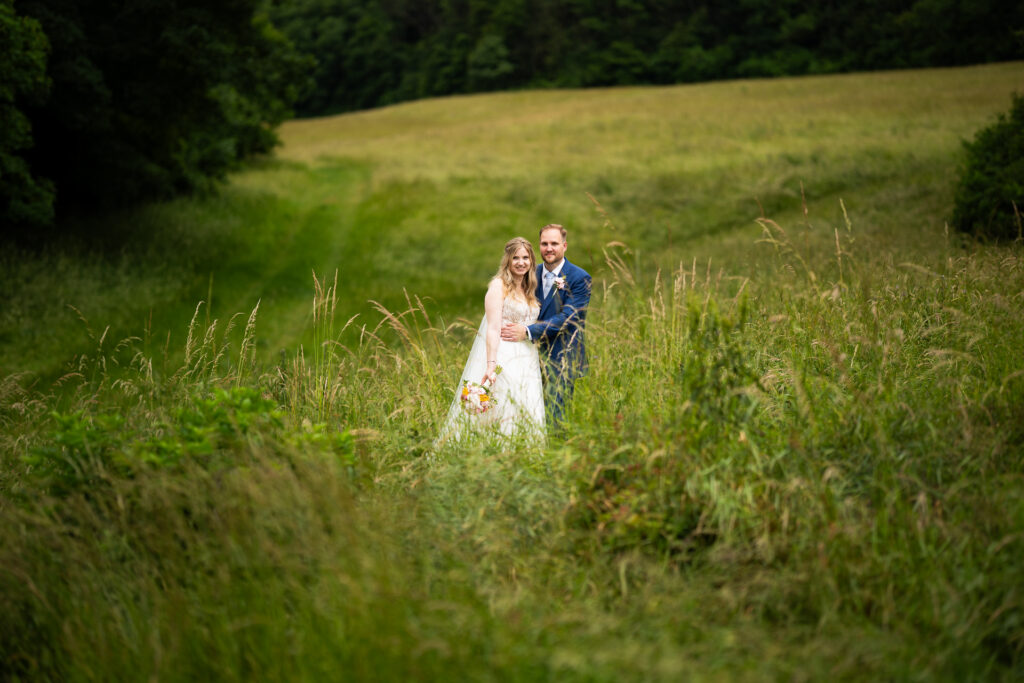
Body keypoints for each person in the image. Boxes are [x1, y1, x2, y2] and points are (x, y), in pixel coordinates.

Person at [438, 237, 545, 443]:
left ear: (531, 261)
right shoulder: (498, 286)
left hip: (528, 359)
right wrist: (491, 364)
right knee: (504, 408)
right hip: (504, 356)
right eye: (516, 258)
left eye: (525, 258)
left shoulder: (530, 287)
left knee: (527, 406)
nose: (521, 262)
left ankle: (525, 455)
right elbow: (493, 328)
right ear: (507, 260)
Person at [501, 224, 591, 425]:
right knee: (528, 414)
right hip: (528, 358)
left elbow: (568, 318)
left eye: (554, 244)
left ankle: (558, 454)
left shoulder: (579, 278)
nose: (549, 248)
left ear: (564, 246)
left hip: (562, 357)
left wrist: (527, 331)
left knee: (555, 418)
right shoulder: (530, 274)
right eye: (544, 244)